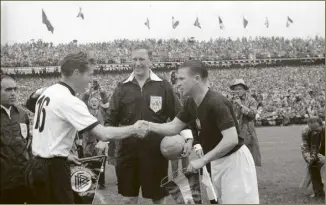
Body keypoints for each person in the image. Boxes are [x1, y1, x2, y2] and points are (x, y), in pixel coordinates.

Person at [24, 52, 148, 204]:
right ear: (76, 73)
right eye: (89, 74)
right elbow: (103, 134)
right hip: (52, 169)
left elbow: (46, 124)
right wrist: (134, 129)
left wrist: (63, 154)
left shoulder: (50, 91)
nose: (91, 80)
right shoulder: (69, 100)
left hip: (37, 164)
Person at [138, 60, 259, 204]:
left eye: (182, 78)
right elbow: (174, 126)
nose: (178, 83)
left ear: (197, 79)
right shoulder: (191, 102)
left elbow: (231, 139)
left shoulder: (216, 102)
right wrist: (149, 125)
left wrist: (202, 160)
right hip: (216, 161)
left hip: (234, 162)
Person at [101, 44, 192, 204]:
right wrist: (104, 140)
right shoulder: (122, 87)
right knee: (128, 199)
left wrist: (188, 137)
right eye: (134, 59)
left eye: (142, 59)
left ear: (151, 61)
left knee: (157, 198)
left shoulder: (163, 85)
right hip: (127, 151)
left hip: (155, 151)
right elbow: (110, 118)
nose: (137, 63)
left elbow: (180, 114)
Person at [0, 75, 32, 203]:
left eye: (15, 89)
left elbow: (27, 144)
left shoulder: (22, 114)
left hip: (23, 180)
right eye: (8, 90)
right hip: (3, 184)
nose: (13, 93)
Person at [230, 79, 262, 166]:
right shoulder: (231, 101)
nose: (237, 91)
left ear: (244, 90)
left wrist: (240, 105)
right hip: (235, 132)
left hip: (247, 132)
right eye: (235, 89)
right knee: (236, 160)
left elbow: (252, 115)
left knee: (249, 159)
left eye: (240, 89)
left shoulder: (251, 100)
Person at [301, 117, 325, 198]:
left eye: (317, 130)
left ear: (322, 125)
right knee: (313, 165)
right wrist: (309, 158)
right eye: (312, 130)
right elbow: (305, 148)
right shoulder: (306, 131)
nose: (314, 132)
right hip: (317, 152)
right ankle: (318, 192)